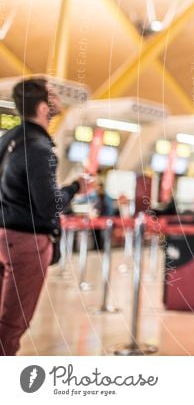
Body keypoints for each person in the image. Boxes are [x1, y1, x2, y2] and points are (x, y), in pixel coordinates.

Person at [0, 78, 84, 355]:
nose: (58, 100)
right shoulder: (39, 148)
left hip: (3, 236)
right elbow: (49, 206)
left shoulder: (7, 141)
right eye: (53, 96)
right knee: (10, 327)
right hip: (26, 243)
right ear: (41, 107)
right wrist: (75, 187)